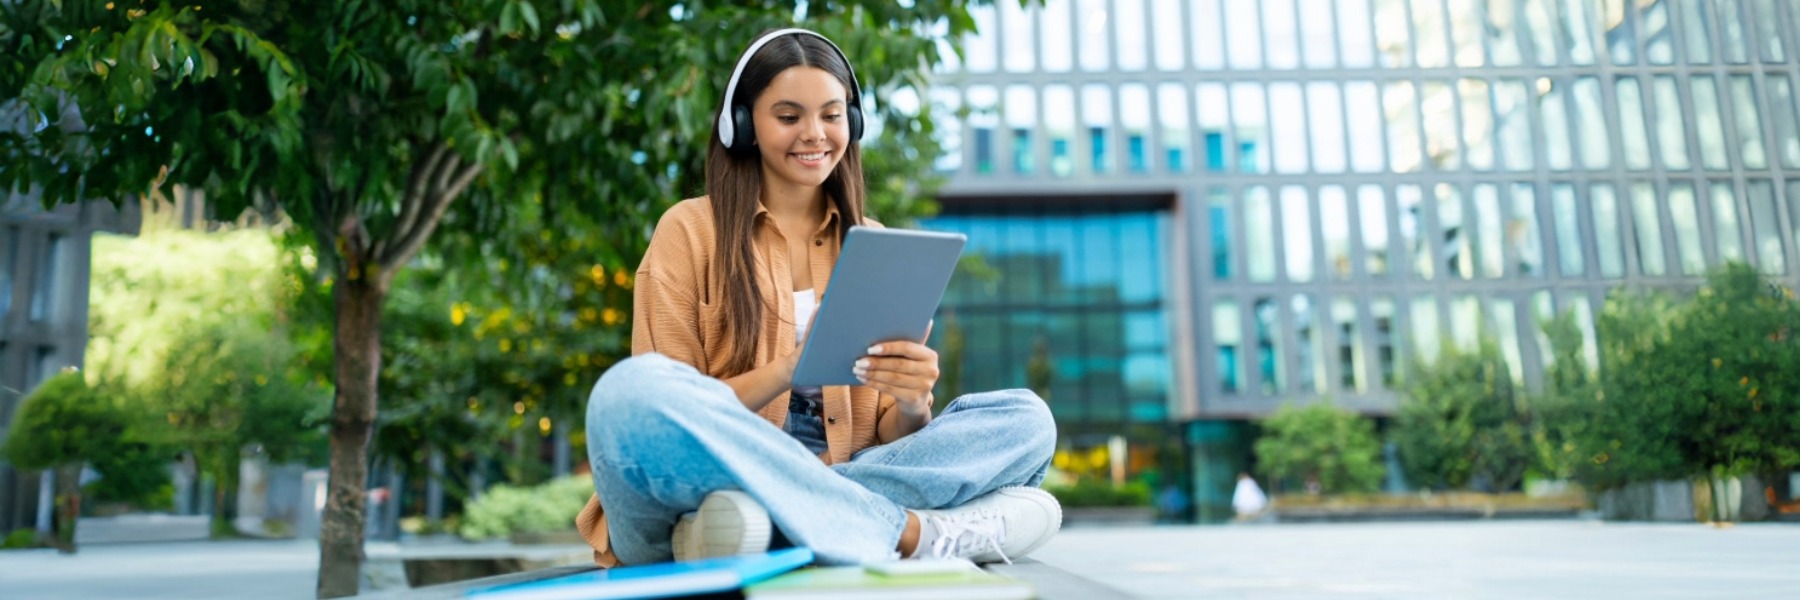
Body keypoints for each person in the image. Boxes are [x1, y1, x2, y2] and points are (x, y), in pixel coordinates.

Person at [574, 28, 1062, 569]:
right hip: (711, 472)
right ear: (744, 126)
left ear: (851, 123)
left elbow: (888, 435)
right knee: (627, 393)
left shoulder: (871, 240)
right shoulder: (689, 230)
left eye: (831, 115)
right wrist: (789, 368)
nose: (815, 134)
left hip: (828, 472)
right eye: (788, 117)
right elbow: (676, 408)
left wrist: (911, 401)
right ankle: (910, 533)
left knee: (1027, 419)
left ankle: (765, 527)